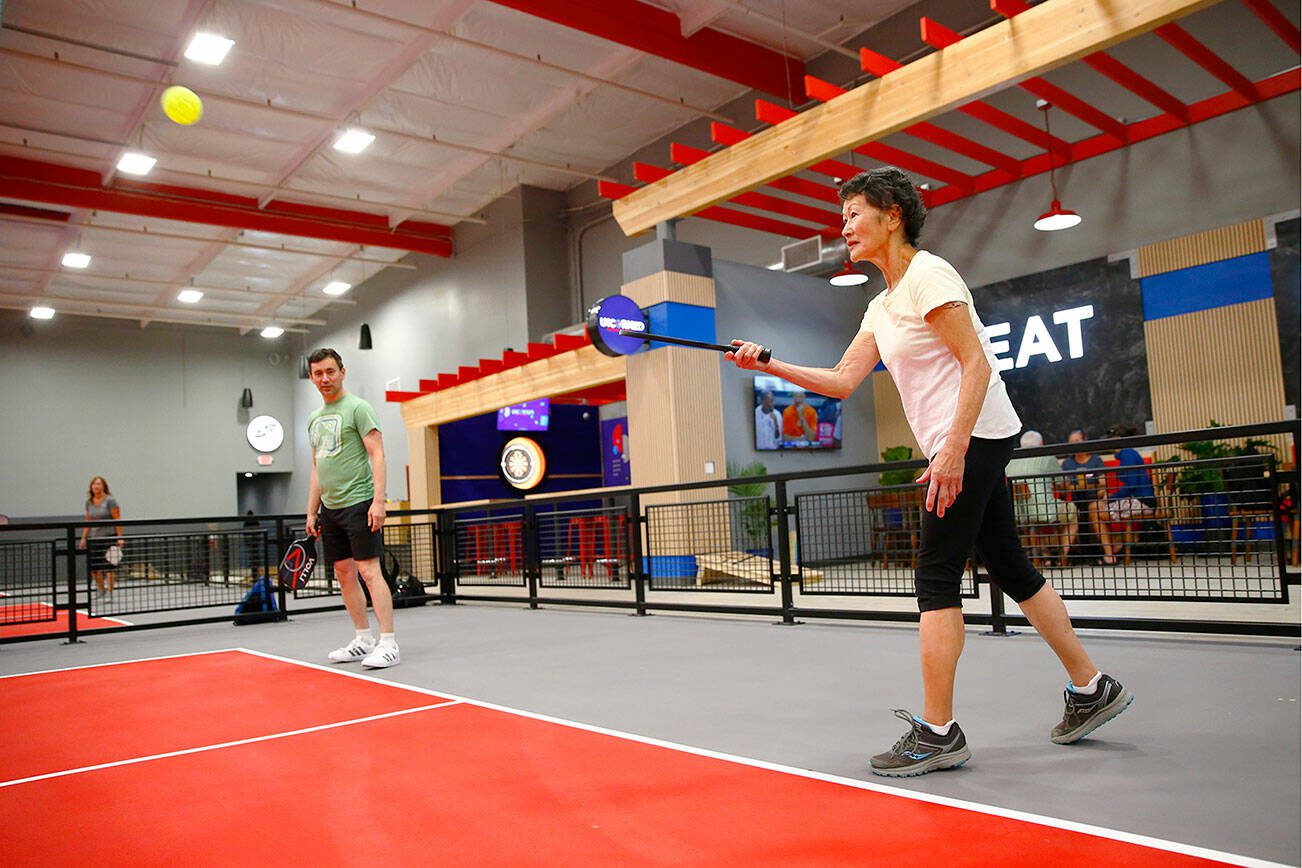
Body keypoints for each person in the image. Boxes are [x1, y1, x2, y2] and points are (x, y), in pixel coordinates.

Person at [726, 166, 1131, 777]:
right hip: (968, 440)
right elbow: (840, 382)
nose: (845, 228)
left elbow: (977, 365)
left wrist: (952, 450)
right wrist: (771, 363)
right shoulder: (881, 305)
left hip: (976, 435)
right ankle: (1091, 687)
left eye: (855, 213)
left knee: (936, 574)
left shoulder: (928, 275)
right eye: (843, 218)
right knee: (1011, 565)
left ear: (892, 215)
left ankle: (939, 732)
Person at [306, 347, 398, 669]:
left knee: (369, 571)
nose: (325, 378)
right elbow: (317, 468)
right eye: (318, 373)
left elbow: (378, 455)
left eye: (330, 371)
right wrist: (311, 512)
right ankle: (363, 639)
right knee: (344, 574)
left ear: (342, 372)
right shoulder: (314, 420)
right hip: (330, 509)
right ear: (311, 377)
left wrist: (378, 501)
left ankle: (388, 643)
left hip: (360, 502)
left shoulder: (359, 408)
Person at [1007, 430, 1071, 568]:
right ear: (1041, 444)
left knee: (1034, 524)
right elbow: (1062, 484)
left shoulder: (1011, 460)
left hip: (1018, 513)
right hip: (1045, 510)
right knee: (1073, 512)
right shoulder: (1047, 457)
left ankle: (1044, 555)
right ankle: (1063, 556)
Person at [1061, 429, 1117, 565]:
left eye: (1077, 441)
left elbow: (1103, 484)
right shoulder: (1067, 463)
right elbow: (1065, 486)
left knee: (1093, 509)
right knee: (1072, 511)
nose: (1074, 445)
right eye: (1071, 443)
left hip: (1094, 499)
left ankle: (1106, 554)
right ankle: (1064, 557)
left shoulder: (1096, 460)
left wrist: (1100, 493)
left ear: (1085, 441)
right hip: (1076, 500)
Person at [79, 476, 122, 599]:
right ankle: (101, 589)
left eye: (98, 484)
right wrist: (83, 538)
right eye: (94, 484)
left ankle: (110, 591)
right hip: (94, 538)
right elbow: (88, 521)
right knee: (93, 568)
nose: (96, 486)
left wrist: (120, 537)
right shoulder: (89, 502)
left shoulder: (110, 501)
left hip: (109, 537)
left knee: (109, 567)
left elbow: (117, 519)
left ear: (103, 486)